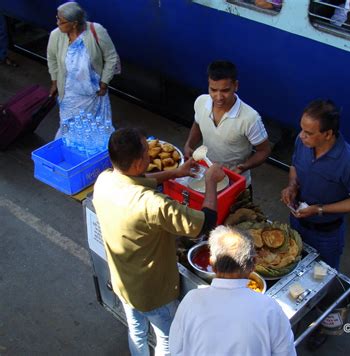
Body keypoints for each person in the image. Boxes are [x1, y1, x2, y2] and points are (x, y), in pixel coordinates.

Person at [93, 128, 225, 356]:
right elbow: (205, 223)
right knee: (167, 338)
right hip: (153, 292)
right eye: (146, 152)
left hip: (123, 283)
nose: (150, 156)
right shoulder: (153, 204)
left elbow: (137, 181)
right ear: (137, 163)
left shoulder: (104, 180)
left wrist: (175, 172)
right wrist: (211, 181)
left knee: (137, 330)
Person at [169, 225, 296, 356]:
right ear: (253, 263)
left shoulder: (191, 300)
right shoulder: (269, 308)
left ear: (212, 263)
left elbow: (176, 350)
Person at [281, 99, 350, 271]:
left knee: (322, 275)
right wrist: (292, 186)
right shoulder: (302, 143)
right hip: (297, 224)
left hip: (326, 235)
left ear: (328, 134)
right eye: (302, 129)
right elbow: (294, 167)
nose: (301, 135)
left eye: (308, 132)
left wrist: (319, 209)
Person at [184, 60, 271, 189]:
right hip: (205, 176)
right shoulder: (201, 102)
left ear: (236, 86)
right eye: (213, 90)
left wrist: (244, 166)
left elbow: (264, 150)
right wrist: (189, 144)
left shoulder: (250, 118)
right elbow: (197, 124)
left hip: (234, 183)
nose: (218, 97)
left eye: (225, 91)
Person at [47, 2, 119, 137]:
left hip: (95, 93)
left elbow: (111, 57)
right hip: (69, 95)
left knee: (96, 129)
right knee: (69, 128)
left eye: (61, 21)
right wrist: (54, 81)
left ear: (74, 23)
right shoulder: (55, 36)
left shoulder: (96, 30)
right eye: (57, 19)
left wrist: (104, 83)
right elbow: (52, 59)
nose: (57, 23)